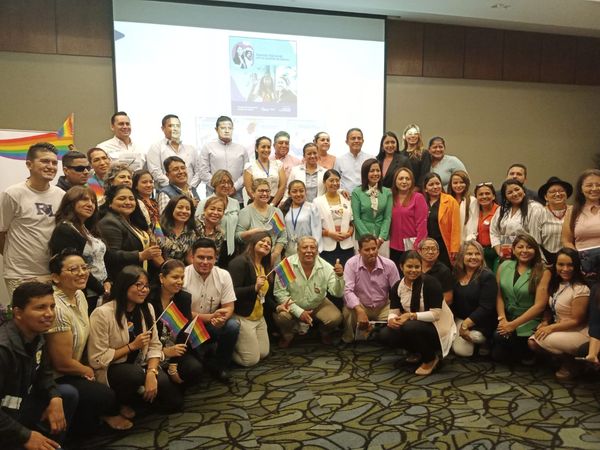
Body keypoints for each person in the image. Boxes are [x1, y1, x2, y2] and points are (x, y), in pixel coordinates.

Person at [46, 249, 132, 433]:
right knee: (104, 395)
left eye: (84, 268)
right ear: (55, 277)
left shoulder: (79, 295)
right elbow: (61, 364)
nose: (82, 273)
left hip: (78, 365)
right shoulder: (56, 309)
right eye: (73, 269)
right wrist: (87, 370)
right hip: (58, 376)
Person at [87, 266, 183, 413]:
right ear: (124, 286)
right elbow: (97, 359)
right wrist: (132, 346)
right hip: (113, 368)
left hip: (141, 364)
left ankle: (137, 400)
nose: (144, 290)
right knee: (135, 375)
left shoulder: (147, 308)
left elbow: (155, 345)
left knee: (174, 402)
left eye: (146, 286)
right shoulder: (102, 314)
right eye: (139, 285)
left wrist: (151, 372)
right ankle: (118, 405)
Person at [0, 282, 78, 450]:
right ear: (18, 313)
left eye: (52, 306)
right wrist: (25, 435)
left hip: (19, 403)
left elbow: (44, 374)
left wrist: (55, 397)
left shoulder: (37, 336)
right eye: (40, 308)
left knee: (67, 394)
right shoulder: (3, 349)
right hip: (6, 413)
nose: (49, 313)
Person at [0, 142, 65, 297]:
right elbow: (1, 232)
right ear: (29, 164)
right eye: (45, 161)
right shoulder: (12, 194)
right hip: (21, 274)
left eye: (54, 163)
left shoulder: (61, 195)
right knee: (26, 313)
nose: (51, 166)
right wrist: (13, 261)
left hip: (52, 273)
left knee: (52, 312)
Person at [379, 251, 456, 376]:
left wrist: (411, 315)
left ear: (421, 267)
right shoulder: (398, 286)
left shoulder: (431, 283)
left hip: (438, 327)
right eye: (409, 266)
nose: (413, 270)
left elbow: (435, 315)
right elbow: (394, 311)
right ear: (401, 267)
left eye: (417, 267)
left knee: (410, 326)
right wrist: (392, 319)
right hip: (416, 326)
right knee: (385, 334)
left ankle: (430, 359)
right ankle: (417, 351)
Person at [183, 239, 240, 383]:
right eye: (201, 257)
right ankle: (202, 357)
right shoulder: (183, 275)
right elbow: (181, 313)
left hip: (212, 324)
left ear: (215, 258)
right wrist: (210, 317)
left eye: (209, 258)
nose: (205, 262)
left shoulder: (223, 275)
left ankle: (220, 366)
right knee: (196, 369)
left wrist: (222, 318)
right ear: (192, 257)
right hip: (188, 326)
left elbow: (229, 307)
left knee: (232, 325)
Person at [528, 248, 589, 380]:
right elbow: (551, 308)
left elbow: (577, 320)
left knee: (536, 340)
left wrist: (551, 328)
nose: (565, 269)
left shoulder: (580, 288)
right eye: (561, 264)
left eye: (570, 265)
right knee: (533, 342)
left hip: (578, 331)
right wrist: (545, 322)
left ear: (576, 266)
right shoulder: (557, 284)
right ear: (555, 265)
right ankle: (569, 362)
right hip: (560, 327)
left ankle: (572, 364)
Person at [273, 236, 345, 348]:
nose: (309, 251)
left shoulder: (326, 267)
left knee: (335, 318)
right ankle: (288, 335)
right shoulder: (285, 265)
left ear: (317, 251)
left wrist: (339, 277)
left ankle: (324, 331)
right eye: (305, 247)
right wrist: (299, 312)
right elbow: (280, 293)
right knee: (282, 317)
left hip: (317, 304)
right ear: (298, 250)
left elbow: (338, 293)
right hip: (292, 305)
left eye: (312, 247)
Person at [49, 186, 108, 315]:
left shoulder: (87, 228)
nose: (90, 204)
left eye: (93, 201)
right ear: (71, 203)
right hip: (82, 291)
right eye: (84, 200)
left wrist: (107, 282)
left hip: (98, 291)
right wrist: (102, 289)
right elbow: (73, 267)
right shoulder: (65, 229)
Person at [493, 233, 549, 364]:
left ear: (535, 250)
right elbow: (498, 295)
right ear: (513, 249)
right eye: (520, 247)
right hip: (507, 317)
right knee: (497, 354)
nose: (524, 250)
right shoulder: (504, 266)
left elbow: (540, 306)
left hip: (530, 320)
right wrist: (502, 319)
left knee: (523, 357)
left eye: (529, 247)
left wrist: (512, 325)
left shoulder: (543, 271)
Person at [146, 259, 203, 387]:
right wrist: (164, 351)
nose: (180, 282)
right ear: (162, 278)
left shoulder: (184, 298)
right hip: (152, 352)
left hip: (174, 349)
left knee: (195, 368)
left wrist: (173, 364)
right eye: (175, 277)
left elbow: (185, 331)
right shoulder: (148, 297)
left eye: (182, 278)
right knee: (164, 386)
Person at [98, 185, 162, 283]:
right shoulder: (109, 222)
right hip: (122, 280)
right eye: (122, 198)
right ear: (110, 203)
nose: (128, 202)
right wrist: (140, 255)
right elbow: (111, 255)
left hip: (140, 277)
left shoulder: (133, 220)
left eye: (131, 199)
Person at [342, 235, 400, 343]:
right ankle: (349, 339)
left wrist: (395, 312)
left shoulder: (389, 265)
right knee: (348, 310)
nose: (371, 252)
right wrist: (359, 310)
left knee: (396, 318)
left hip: (383, 306)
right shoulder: (351, 264)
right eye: (367, 250)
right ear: (359, 251)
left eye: (374, 248)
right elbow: (347, 290)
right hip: (361, 305)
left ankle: (379, 336)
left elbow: (397, 291)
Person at [228, 232, 273, 366]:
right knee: (250, 361)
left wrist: (278, 307)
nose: (266, 244)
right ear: (253, 242)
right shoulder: (239, 262)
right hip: (243, 316)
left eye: (269, 243)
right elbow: (232, 293)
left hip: (259, 317)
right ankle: (224, 350)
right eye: (262, 241)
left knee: (263, 353)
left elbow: (264, 297)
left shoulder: (264, 266)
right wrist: (254, 288)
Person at [451, 241, 498, 357]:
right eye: (469, 254)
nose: (473, 257)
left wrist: (465, 325)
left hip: (481, 322)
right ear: (462, 256)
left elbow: (486, 307)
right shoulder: (456, 273)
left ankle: (486, 341)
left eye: (477, 254)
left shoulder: (487, 276)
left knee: (463, 351)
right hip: (460, 319)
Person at [198, 116, 249, 204]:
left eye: (230, 128)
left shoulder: (242, 149)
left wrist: (234, 187)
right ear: (216, 129)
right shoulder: (207, 147)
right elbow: (203, 172)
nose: (227, 131)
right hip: (214, 197)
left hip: (236, 197)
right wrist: (219, 187)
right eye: (223, 128)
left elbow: (246, 173)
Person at [490, 179, 545, 261]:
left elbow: (535, 237)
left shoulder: (534, 208)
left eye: (517, 189)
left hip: (527, 254)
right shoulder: (502, 210)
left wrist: (523, 252)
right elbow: (493, 232)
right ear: (505, 197)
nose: (515, 194)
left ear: (523, 190)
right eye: (510, 192)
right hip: (506, 254)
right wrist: (500, 252)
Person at [236, 179, 287, 265]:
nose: (265, 194)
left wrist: (275, 255)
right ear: (253, 193)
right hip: (253, 261)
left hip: (274, 260)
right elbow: (237, 237)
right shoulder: (245, 212)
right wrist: (252, 232)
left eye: (267, 191)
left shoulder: (277, 212)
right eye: (261, 191)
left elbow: (283, 236)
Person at [562, 168, 600, 282]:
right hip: (584, 266)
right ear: (581, 189)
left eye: (598, 185)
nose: (594, 188)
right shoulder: (572, 211)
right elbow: (566, 241)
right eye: (589, 185)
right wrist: (577, 260)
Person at [196, 170, 240, 267]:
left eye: (229, 182)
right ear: (215, 183)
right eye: (222, 182)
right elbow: (197, 225)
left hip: (232, 246)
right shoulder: (204, 202)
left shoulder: (235, 203)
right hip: (212, 245)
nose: (226, 185)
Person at [313, 169, 355, 267]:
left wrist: (348, 234)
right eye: (331, 180)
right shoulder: (317, 202)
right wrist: (330, 234)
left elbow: (352, 223)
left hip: (346, 245)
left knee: (346, 273)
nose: (335, 183)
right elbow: (314, 227)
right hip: (326, 246)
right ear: (324, 182)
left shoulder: (346, 199)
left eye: (337, 180)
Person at [146, 114, 200, 189]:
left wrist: (190, 187)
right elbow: (155, 172)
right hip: (167, 192)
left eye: (177, 126)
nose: (175, 129)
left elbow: (199, 172)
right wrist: (176, 188)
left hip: (190, 191)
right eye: (171, 126)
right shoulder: (156, 148)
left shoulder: (191, 149)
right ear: (163, 128)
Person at [529, 176, 573, 266]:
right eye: (552, 192)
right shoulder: (538, 213)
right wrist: (542, 263)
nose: (558, 194)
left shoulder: (574, 211)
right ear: (546, 197)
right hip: (547, 260)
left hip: (572, 260)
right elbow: (534, 241)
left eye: (561, 191)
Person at [389, 167, 428, 266]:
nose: (404, 181)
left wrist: (417, 246)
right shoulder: (390, 197)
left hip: (413, 247)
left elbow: (422, 225)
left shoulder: (418, 198)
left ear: (412, 181)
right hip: (393, 246)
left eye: (407, 179)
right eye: (401, 178)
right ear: (395, 181)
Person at [351, 158, 393, 248]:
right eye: (372, 171)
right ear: (365, 173)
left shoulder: (387, 192)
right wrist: (368, 239)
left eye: (378, 170)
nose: (375, 173)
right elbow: (356, 218)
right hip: (363, 239)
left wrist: (381, 237)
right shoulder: (356, 192)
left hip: (382, 239)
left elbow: (387, 218)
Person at [422, 172, 461, 267]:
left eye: (437, 183)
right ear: (425, 188)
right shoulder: (422, 201)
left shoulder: (450, 201)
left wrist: (454, 248)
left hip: (444, 245)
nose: (435, 187)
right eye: (431, 184)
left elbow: (456, 227)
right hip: (427, 246)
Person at [279, 180, 321, 255]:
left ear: (305, 192)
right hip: (289, 250)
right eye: (294, 191)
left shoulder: (312, 208)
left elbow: (317, 231)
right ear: (289, 194)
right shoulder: (284, 209)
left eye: (301, 191)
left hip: (307, 250)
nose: (298, 194)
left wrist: (315, 250)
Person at [243, 136, 286, 206]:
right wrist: (261, 204)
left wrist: (272, 204)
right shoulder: (249, 166)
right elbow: (249, 189)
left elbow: (282, 186)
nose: (266, 150)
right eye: (263, 147)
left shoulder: (278, 164)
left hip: (275, 203)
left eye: (268, 147)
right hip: (255, 203)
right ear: (256, 148)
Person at [159, 195, 201, 264]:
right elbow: (155, 256)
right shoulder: (159, 228)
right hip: (160, 267)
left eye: (188, 209)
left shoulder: (191, 232)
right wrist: (169, 269)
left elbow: (189, 257)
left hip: (182, 269)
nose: (184, 211)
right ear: (171, 209)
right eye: (180, 207)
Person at [334, 128, 372, 193]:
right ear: (347, 142)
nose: (356, 141)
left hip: (366, 196)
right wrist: (341, 191)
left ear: (363, 141)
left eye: (359, 138)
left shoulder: (370, 159)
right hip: (346, 196)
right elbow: (335, 180)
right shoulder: (339, 160)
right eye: (353, 138)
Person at [418, 238, 454, 305]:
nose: (430, 252)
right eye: (426, 249)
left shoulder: (444, 271)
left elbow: (448, 299)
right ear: (419, 251)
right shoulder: (415, 268)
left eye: (433, 249)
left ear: (438, 252)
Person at [474, 182, 500, 272]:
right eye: (481, 194)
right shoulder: (475, 212)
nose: (484, 196)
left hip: (495, 252)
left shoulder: (500, 212)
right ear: (476, 197)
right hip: (480, 252)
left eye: (487, 193)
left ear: (493, 196)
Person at [448, 170, 478, 243]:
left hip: (466, 242)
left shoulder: (472, 201)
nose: (458, 185)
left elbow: (473, 225)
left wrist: (468, 242)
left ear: (466, 183)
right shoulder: (447, 201)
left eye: (461, 182)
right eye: (455, 183)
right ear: (451, 185)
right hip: (450, 242)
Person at [194, 196, 226, 261]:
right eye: (212, 209)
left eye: (219, 210)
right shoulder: (193, 224)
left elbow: (215, 257)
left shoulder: (220, 234)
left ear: (223, 213)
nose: (215, 213)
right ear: (205, 210)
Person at [399, 124, 430, 188]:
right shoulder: (399, 154)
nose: (413, 136)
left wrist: (415, 189)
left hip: (417, 190)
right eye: (410, 134)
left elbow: (424, 175)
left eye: (415, 134)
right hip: (402, 188)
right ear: (404, 136)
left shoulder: (424, 153)